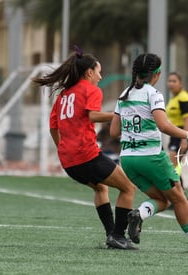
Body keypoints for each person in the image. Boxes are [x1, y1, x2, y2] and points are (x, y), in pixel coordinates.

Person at [31, 46, 137, 250]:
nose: (100, 75)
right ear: (89, 72)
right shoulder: (91, 90)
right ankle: (118, 236)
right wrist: (118, 115)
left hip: (69, 162)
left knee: (101, 188)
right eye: (98, 71)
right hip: (87, 156)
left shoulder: (63, 96)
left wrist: (63, 148)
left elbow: (53, 127)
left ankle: (111, 234)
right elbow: (93, 115)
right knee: (128, 188)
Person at [110, 53, 188, 254]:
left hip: (128, 160)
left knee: (163, 199)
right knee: (179, 197)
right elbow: (163, 125)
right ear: (157, 74)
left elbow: (114, 132)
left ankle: (139, 214)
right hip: (151, 157)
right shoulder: (154, 94)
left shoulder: (124, 94)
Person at [165, 72, 188, 185]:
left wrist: (184, 139)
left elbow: (187, 119)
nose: (171, 84)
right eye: (169, 81)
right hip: (175, 134)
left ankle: (179, 195)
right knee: (173, 167)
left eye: (174, 81)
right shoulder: (174, 98)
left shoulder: (184, 98)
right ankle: (178, 195)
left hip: (182, 134)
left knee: (171, 166)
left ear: (180, 84)